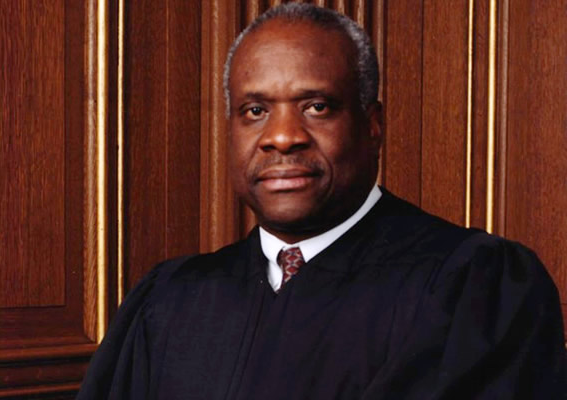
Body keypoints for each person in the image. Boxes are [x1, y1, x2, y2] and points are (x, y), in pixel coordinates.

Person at [77, 4, 565, 399]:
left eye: (317, 106)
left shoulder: (472, 286)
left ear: (372, 125)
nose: (282, 137)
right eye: (255, 110)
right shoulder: (171, 300)